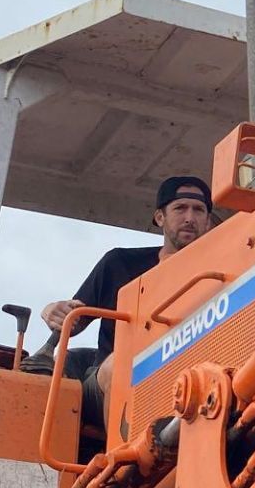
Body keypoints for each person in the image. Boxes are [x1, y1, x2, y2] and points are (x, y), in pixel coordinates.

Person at [39, 175, 212, 432]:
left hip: (188, 386)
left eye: (198, 210)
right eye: (180, 208)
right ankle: (121, 465)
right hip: (106, 383)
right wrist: (53, 310)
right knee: (123, 363)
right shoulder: (120, 264)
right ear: (160, 217)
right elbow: (72, 319)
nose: (190, 218)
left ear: (208, 221)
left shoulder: (219, 274)